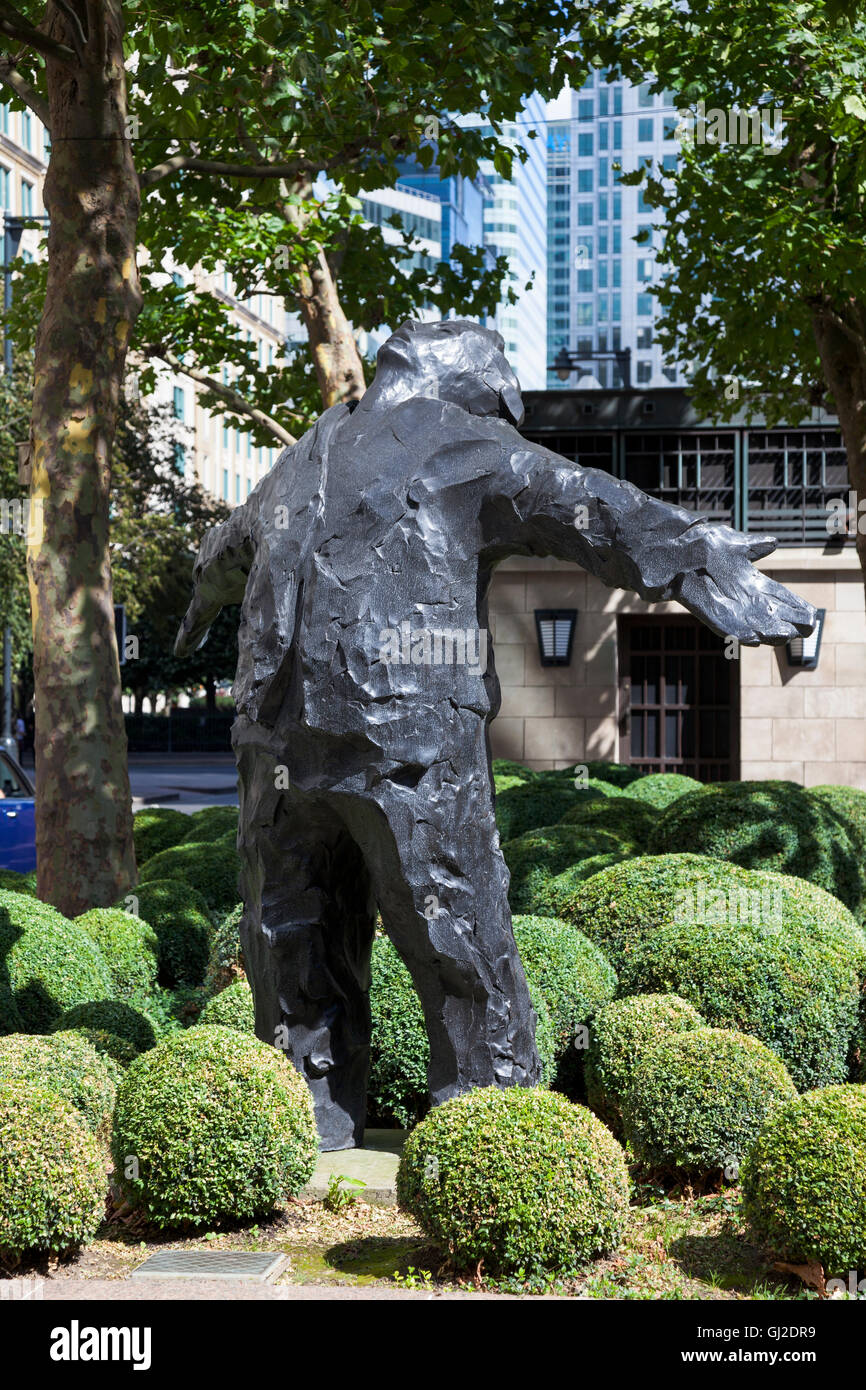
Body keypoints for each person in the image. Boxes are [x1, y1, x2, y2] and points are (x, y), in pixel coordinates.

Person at [176, 319, 815, 1149]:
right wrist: (703, 558)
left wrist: (203, 592)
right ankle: (458, 1130)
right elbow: (589, 504)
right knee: (427, 931)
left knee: (325, 932)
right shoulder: (448, 442)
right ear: (470, 384)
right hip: (367, 739)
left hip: (313, 739)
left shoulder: (310, 451)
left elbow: (226, 548)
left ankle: (415, 1133)